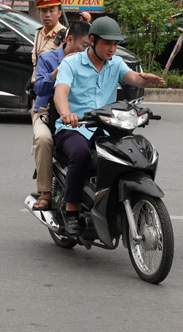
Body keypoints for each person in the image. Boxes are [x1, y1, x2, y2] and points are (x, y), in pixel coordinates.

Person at [53, 16, 165, 236]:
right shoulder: (71, 63)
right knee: (82, 154)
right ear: (92, 40)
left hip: (107, 127)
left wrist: (145, 80)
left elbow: (133, 78)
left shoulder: (115, 63)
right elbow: (60, 93)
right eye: (108, 44)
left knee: (131, 154)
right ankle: (71, 210)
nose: (112, 49)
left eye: (115, 44)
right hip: (74, 127)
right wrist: (66, 114)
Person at [30, 22, 90, 211]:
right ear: (70, 40)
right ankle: (45, 193)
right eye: (84, 45)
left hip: (78, 114)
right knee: (43, 139)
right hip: (46, 113)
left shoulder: (89, 60)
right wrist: (59, 71)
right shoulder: (48, 59)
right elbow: (38, 88)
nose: (86, 50)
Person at [30, 0, 66, 84]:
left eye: (51, 11)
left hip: (54, 87)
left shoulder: (66, 35)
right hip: (38, 86)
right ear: (39, 14)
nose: (47, 15)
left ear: (59, 13)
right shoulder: (38, 33)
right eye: (44, 11)